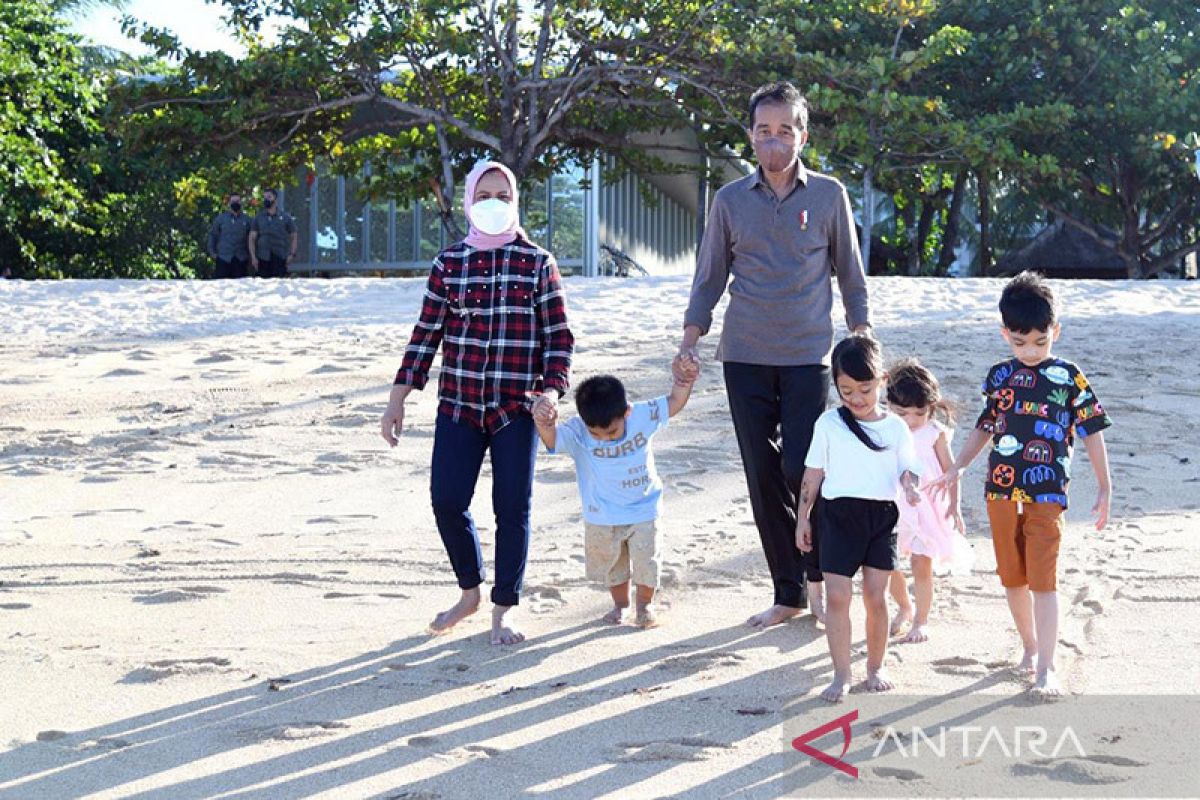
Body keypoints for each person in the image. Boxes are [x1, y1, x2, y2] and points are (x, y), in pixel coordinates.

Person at [678, 81, 872, 629]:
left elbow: (851, 278)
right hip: (743, 356)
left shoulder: (829, 195)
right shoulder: (730, 200)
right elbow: (708, 276)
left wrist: (862, 334)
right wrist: (691, 338)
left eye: (785, 130)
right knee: (762, 472)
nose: (774, 140)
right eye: (764, 131)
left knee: (800, 467)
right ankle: (788, 591)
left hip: (809, 353)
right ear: (751, 137)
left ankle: (819, 571)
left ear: (802, 135)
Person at [380, 161, 574, 646]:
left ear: (514, 202)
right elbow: (426, 334)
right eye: (483, 194)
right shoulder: (449, 264)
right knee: (447, 499)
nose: (493, 203)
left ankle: (503, 607)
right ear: (468, 201)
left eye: (502, 196)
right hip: (459, 404)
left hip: (517, 408)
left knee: (512, 508)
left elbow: (559, 338)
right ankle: (469, 591)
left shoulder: (537, 263)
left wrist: (551, 391)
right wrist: (397, 396)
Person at [932, 271, 1112, 696]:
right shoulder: (999, 377)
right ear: (1005, 334)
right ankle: (1029, 649)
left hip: (1047, 492)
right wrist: (958, 464)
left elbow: (1092, 431)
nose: (1029, 351)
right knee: (1012, 578)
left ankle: (1046, 667)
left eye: (1039, 341)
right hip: (999, 489)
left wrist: (1105, 486)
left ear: (1055, 331)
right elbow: (985, 426)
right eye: (1019, 342)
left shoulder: (1069, 377)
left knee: (1042, 580)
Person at [795, 335, 921, 702]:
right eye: (845, 390)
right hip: (836, 516)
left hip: (881, 517)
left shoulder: (895, 427)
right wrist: (803, 519)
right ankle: (841, 674)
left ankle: (876, 667)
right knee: (837, 597)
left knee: (875, 596)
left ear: (882, 381)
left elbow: (906, 468)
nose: (856, 399)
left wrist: (910, 487)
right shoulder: (829, 424)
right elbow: (812, 474)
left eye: (865, 389)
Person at [533, 372, 695, 628]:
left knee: (647, 563)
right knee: (613, 567)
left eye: (611, 431)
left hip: (644, 508)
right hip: (602, 515)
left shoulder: (642, 415)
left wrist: (683, 383)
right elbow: (552, 440)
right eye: (596, 434)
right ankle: (621, 605)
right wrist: (544, 424)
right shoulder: (577, 431)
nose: (605, 438)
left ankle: (644, 604)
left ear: (626, 412)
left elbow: (674, 402)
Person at [884, 359, 974, 644]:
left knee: (922, 563)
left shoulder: (935, 432)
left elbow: (951, 471)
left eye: (918, 413)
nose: (910, 421)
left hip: (927, 507)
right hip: (891, 503)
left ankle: (921, 620)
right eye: (902, 413)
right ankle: (904, 607)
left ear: (931, 408)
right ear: (888, 405)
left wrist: (955, 505)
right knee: (887, 564)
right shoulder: (884, 427)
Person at [249, 188, 297, 278]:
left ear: (275, 199)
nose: (266, 199)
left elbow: (294, 236)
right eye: (265, 197)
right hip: (262, 258)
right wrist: (253, 257)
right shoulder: (258, 217)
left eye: (269, 197)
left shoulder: (285, 217)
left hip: (280, 257)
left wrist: (292, 254)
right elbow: (252, 238)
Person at [207, 193, 251, 279]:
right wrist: (212, 252)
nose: (235, 203)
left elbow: (252, 238)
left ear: (241, 203)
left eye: (237, 201)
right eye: (233, 201)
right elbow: (213, 235)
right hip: (223, 258)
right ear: (229, 203)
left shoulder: (248, 220)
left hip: (241, 259)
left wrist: (251, 256)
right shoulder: (220, 219)